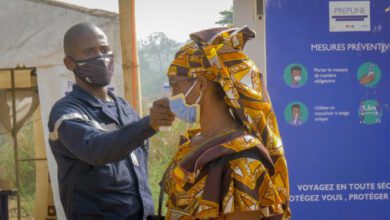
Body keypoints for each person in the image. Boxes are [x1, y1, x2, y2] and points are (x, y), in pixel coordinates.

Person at [48, 22, 175, 219]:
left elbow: (137, 172)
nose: (101, 57)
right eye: (89, 51)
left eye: (105, 49)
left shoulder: (123, 108)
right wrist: (148, 123)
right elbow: (96, 149)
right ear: (69, 63)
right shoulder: (66, 112)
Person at [161, 27, 291, 220]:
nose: (171, 96)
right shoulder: (195, 143)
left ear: (201, 84)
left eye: (175, 85)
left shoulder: (242, 160)